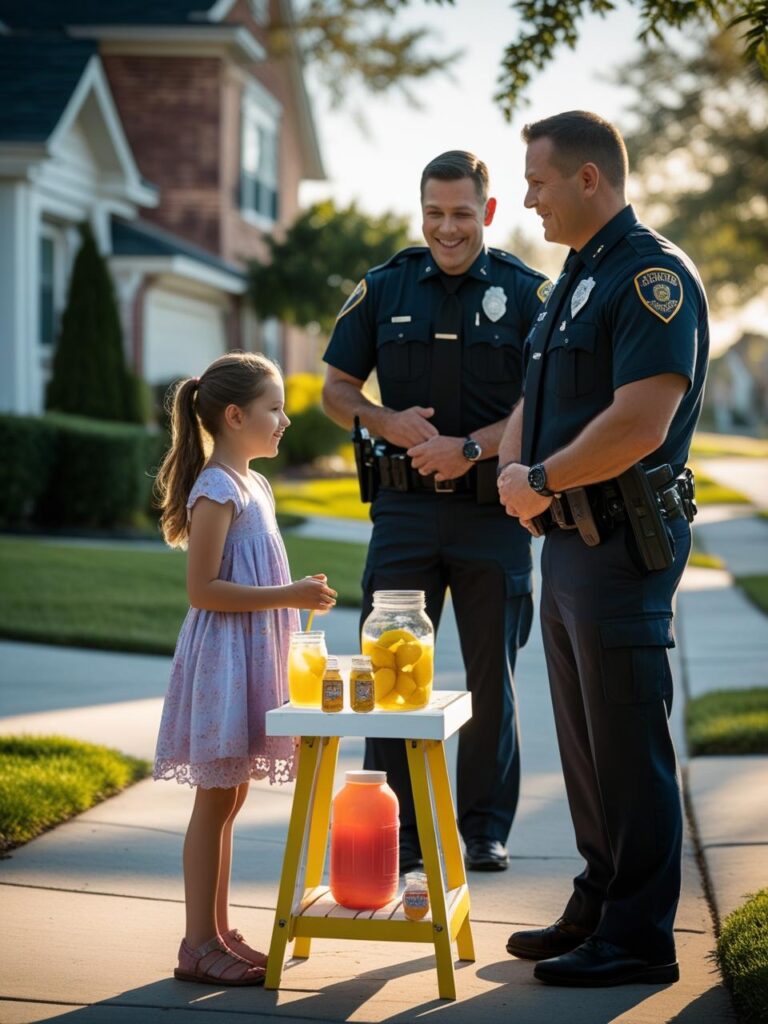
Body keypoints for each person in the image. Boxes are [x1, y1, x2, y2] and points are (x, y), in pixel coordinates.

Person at [498, 111, 708, 986]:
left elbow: (640, 420)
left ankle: (637, 939)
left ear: (590, 180)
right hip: (570, 545)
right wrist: (513, 464)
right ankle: (599, 901)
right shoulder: (573, 280)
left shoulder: (651, 276)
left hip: (623, 544)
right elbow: (533, 395)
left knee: (628, 744)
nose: (528, 199)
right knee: (585, 744)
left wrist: (539, 479)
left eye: (539, 182)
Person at [322, 150, 551, 873]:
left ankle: (483, 829)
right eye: (433, 213)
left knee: (494, 682)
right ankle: (404, 835)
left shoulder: (525, 295)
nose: (446, 229)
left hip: (494, 517)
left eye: (460, 213)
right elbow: (336, 388)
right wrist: (381, 420)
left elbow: (541, 403)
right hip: (404, 515)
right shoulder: (383, 285)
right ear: (419, 212)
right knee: (391, 669)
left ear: (487, 211)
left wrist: (473, 450)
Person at [153, 352, 336, 986]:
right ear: (235, 416)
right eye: (274, 408)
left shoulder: (254, 484)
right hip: (223, 662)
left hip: (250, 656)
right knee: (214, 800)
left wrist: (290, 590)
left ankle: (218, 931)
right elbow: (203, 590)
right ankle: (196, 943)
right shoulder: (217, 487)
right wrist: (289, 595)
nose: (285, 420)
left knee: (231, 797)